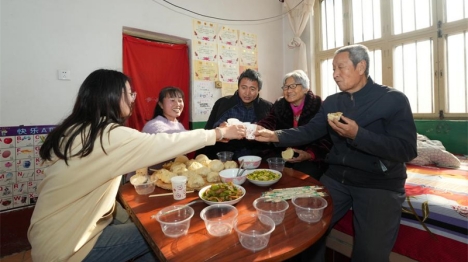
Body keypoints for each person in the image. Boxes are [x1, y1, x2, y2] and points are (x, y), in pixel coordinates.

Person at [27, 69, 245, 262]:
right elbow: (162, 143)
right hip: (70, 246)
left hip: (51, 234)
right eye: (129, 93)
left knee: (150, 236)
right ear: (111, 96)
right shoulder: (107, 136)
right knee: (166, 228)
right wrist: (219, 133)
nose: (133, 99)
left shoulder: (76, 129)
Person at [255, 44, 417, 261]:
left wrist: (358, 135)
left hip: (378, 182)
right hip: (337, 178)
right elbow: (310, 130)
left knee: (370, 254)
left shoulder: (393, 100)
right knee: (304, 230)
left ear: (361, 66)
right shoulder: (333, 102)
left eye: (341, 68)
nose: (335, 75)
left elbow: (406, 150)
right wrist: (275, 135)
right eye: (333, 69)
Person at [256, 70, 331, 180]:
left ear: (305, 88)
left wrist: (309, 154)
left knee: (304, 177)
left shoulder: (319, 105)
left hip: (310, 156)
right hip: (283, 153)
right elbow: (269, 121)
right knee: (267, 172)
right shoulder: (280, 105)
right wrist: (258, 128)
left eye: (293, 86)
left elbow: (326, 138)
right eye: (285, 87)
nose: (288, 90)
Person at [198, 68, 273, 160]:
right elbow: (210, 129)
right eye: (243, 87)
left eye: (252, 89)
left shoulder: (267, 107)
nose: (247, 93)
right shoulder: (223, 103)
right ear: (238, 87)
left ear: (259, 90)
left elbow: (272, 136)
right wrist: (221, 128)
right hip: (226, 157)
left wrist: (259, 133)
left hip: (256, 157)